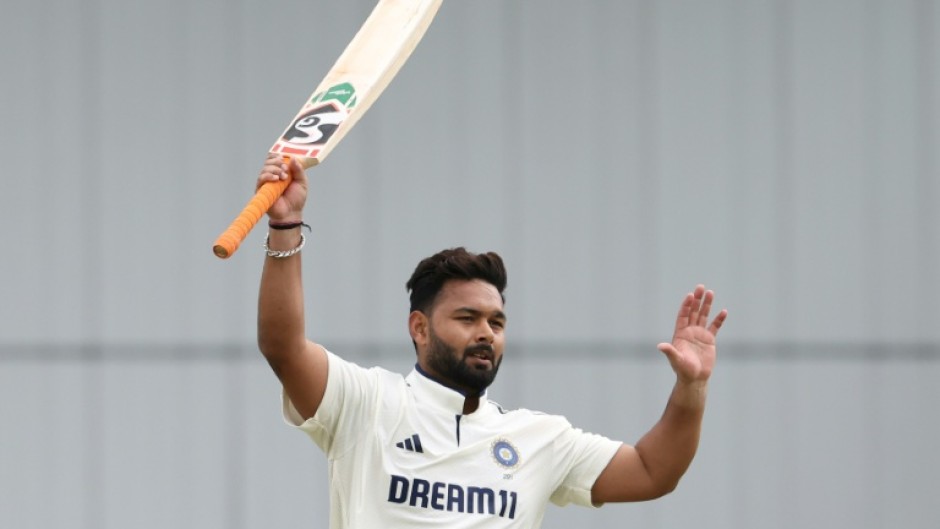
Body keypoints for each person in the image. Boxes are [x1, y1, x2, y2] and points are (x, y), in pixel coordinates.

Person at [255, 154, 728, 528]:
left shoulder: (538, 437)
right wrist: (284, 226)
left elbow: (653, 471)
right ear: (419, 328)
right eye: (467, 317)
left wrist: (692, 389)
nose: (486, 332)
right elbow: (284, 347)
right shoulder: (366, 403)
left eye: (497, 323)